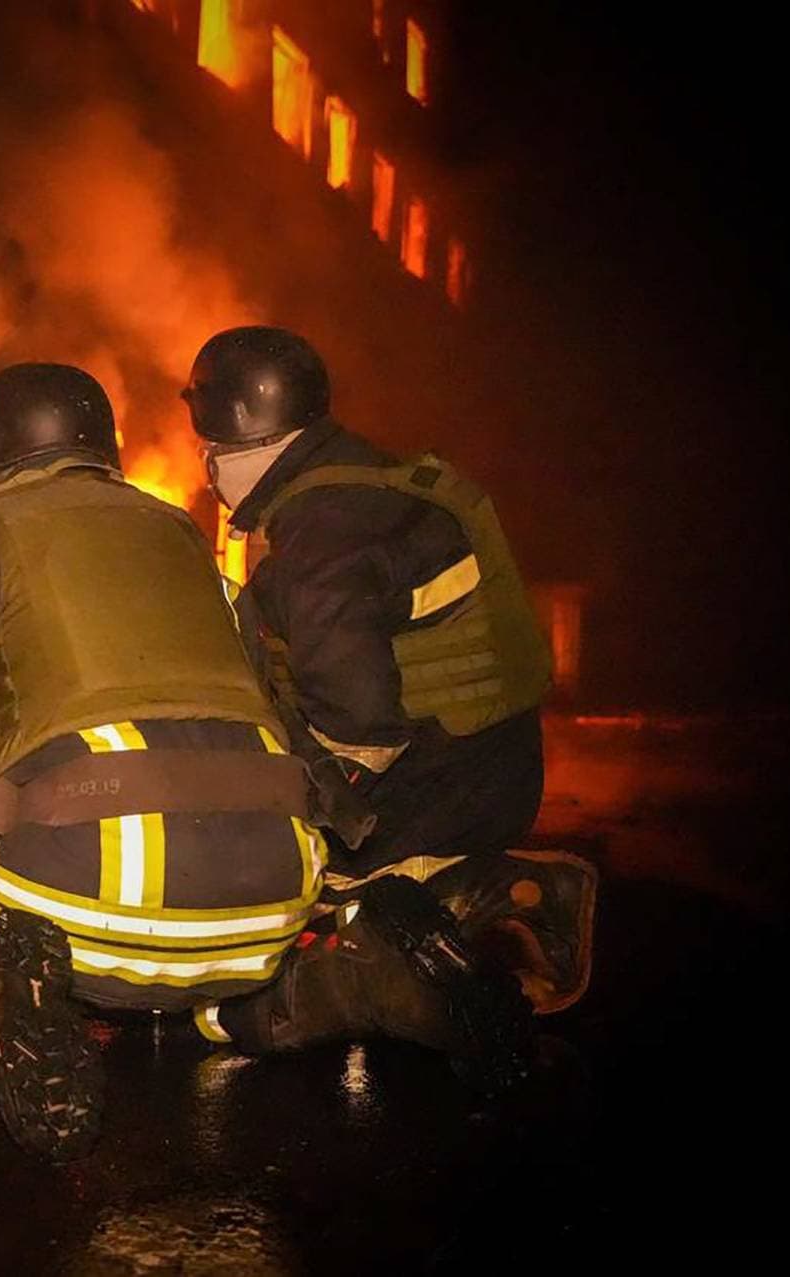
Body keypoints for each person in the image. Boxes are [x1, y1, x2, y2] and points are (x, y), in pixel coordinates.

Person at [0, 363, 533, 1162]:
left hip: (87, 872)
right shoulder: (183, 535)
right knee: (209, 999)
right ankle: (372, 983)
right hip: (274, 880)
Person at [181, 325, 595, 1014]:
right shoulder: (351, 484)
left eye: (212, 447)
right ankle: (463, 900)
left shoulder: (319, 540)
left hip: (453, 779)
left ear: (247, 435)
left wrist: (296, 812)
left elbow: (360, 719)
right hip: (487, 753)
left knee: (300, 876)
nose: (206, 463)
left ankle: (518, 888)